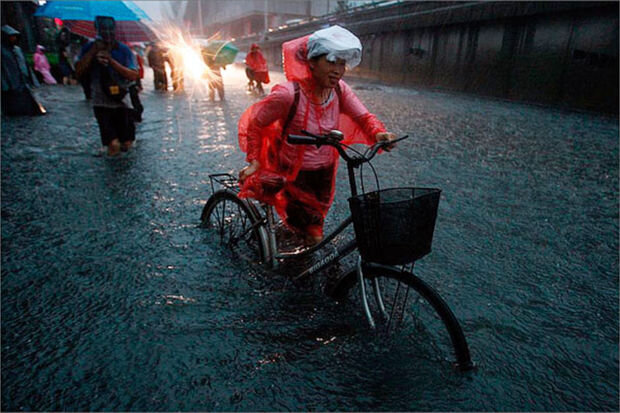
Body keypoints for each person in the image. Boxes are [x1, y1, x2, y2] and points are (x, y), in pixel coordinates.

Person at [237, 25, 396, 246]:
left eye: (342, 63)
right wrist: (254, 160)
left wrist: (379, 134)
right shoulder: (287, 95)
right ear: (311, 61)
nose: (338, 70)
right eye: (331, 61)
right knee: (314, 235)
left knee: (313, 225)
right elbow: (255, 124)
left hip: (324, 174)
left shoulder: (340, 90)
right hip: (293, 175)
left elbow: (363, 117)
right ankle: (295, 274)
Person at [76, 16, 139, 156]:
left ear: (115, 29)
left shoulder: (124, 50)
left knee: (127, 144)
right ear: (96, 29)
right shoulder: (88, 48)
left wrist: (111, 61)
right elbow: (78, 71)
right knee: (113, 144)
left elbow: (134, 75)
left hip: (122, 102)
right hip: (101, 103)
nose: (108, 33)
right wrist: (93, 53)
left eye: (110, 29)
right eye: (103, 29)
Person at [1, 25, 46, 116]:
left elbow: (24, 64)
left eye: (14, 36)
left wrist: (30, 77)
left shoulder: (17, 49)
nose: (13, 39)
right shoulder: (2, 50)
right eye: (11, 36)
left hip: (22, 80)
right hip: (9, 81)